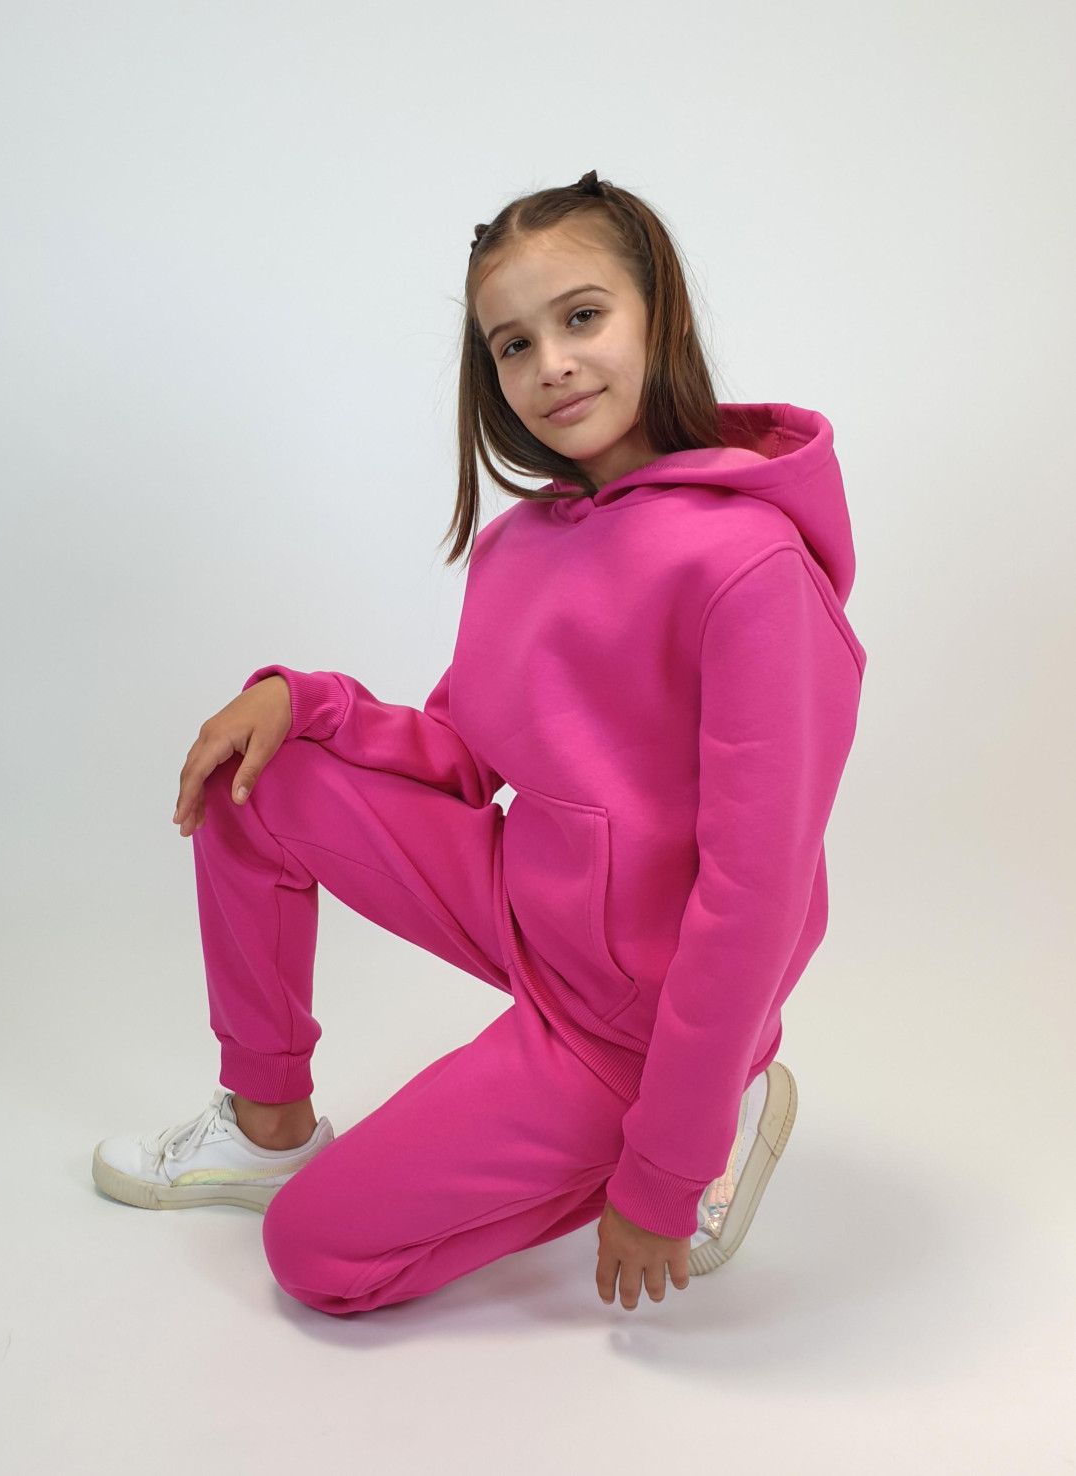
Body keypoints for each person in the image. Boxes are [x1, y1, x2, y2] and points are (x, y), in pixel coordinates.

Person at [92, 169, 867, 1317]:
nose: (550, 363)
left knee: (315, 1258)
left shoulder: (750, 570)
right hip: (529, 907)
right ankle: (265, 1124)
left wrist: (662, 1167)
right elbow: (462, 752)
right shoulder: (525, 545)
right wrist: (305, 703)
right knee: (251, 783)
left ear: (661, 316)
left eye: (582, 316)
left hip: (634, 1020)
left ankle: (719, 1106)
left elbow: (754, 895)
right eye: (512, 344)